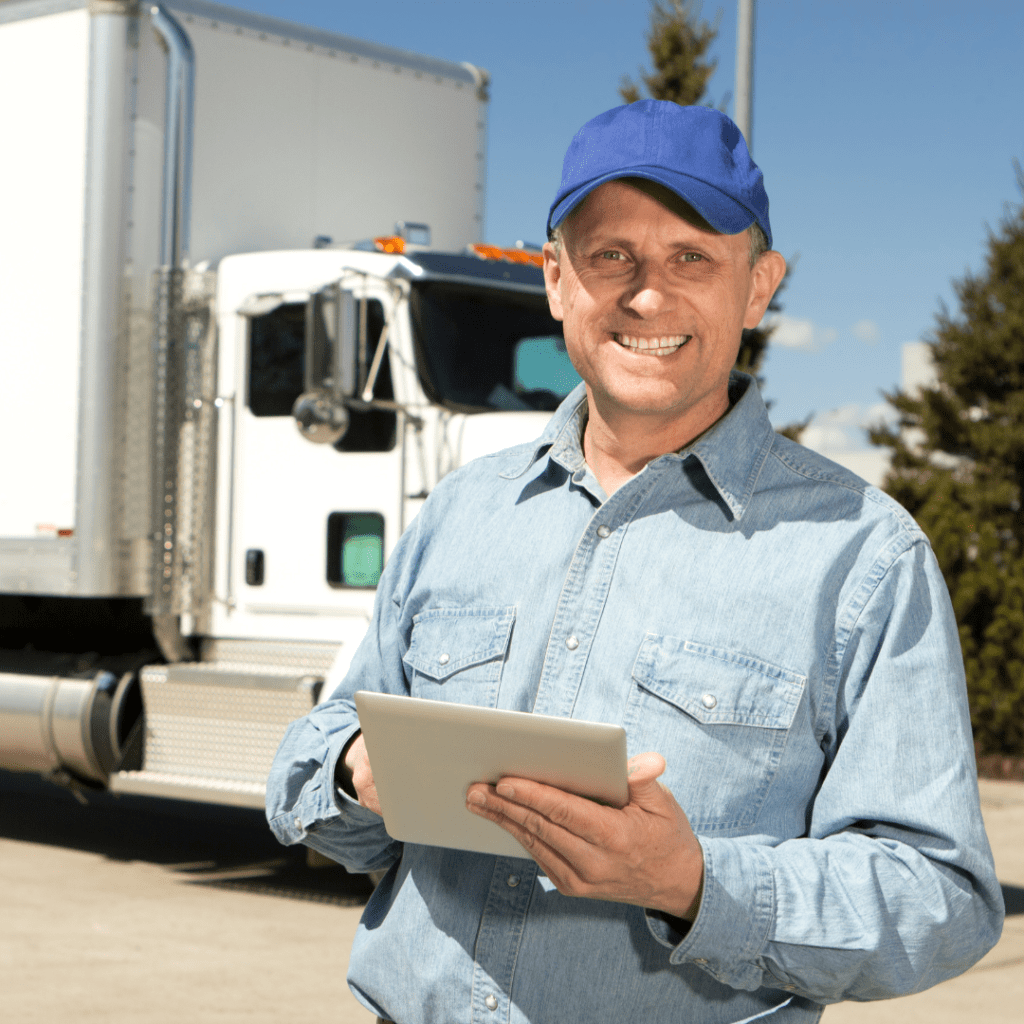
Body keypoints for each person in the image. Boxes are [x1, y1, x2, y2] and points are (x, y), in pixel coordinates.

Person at [266, 100, 1003, 1023]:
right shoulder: (462, 512)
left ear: (760, 286)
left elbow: (941, 899)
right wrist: (352, 769)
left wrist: (696, 882)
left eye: (692, 256)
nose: (646, 293)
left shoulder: (863, 555)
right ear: (555, 280)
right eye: (609, 254)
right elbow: (310, 767)